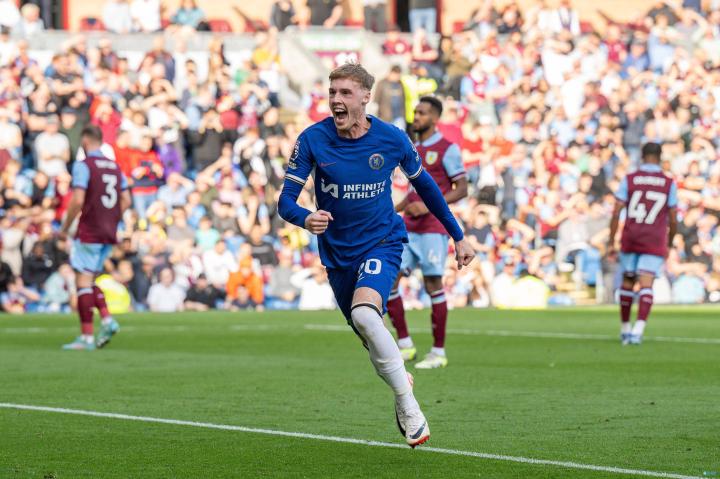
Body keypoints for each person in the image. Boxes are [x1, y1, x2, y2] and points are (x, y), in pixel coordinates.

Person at [278, 63, 474, 448]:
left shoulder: (392, 139)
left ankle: (409, 405)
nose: (336, 100)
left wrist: (458, 235)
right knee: (370, 337)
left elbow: (428, 188)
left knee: (366, 315)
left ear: (366, 97)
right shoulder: (312, 139)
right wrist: (305, 217)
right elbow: (286, 201)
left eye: (345, 93)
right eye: (332, 92)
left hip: (382, 241)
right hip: (338, 254)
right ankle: (401, 383)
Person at [386, 96, 467, 369]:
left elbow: (462, 188)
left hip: (433, 228)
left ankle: (438, 352)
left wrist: (429, 205)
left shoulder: (447, 149)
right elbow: (413, 194)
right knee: (390, 282)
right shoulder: (413, 148)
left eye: (422, 113)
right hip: (408, 227)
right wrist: (390, 211)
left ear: (435, 118)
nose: (416, 117)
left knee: (433, 285)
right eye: (415, 112)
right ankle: (405, 345)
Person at [60, 125, 132, 351]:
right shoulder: (114, 167)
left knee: (82, 282)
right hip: (109, 232)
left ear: (85, 141)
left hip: (90, 230)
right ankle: (107, 320)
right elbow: (127, 200)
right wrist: (111, 219)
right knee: (90, 280)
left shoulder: (84, 165)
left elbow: (78, 199)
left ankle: (87, 337)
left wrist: (65, 228)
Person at [608, 143, 678, 345]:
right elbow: (673, 217)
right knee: (646, 283)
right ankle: (637, 331)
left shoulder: (630, 179)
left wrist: (612, 240)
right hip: (654, 238)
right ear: (660, 157)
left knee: (628, 280)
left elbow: (616, 211)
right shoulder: (668, 183)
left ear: (642, 156)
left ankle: (625, 329)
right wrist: (669, 242)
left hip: (631, 235)